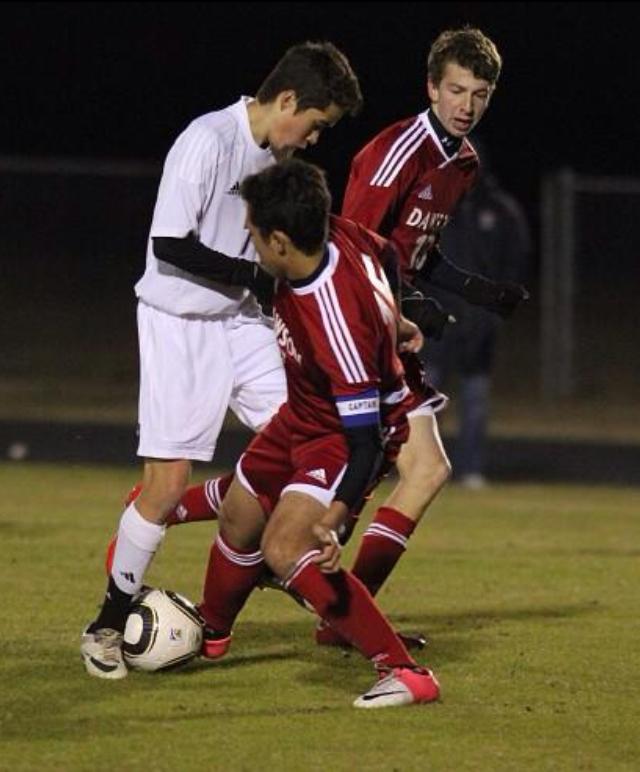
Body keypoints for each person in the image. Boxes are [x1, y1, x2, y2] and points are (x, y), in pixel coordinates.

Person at [80, 41, 363, 680]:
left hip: (241, 323)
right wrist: (252, 275)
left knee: (317, 435)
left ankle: (280, 560)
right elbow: (169, 244)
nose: (314, 139)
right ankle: (104, 625)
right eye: (316, 124)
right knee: (164, 486)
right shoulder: (206, 140)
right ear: (288, 100)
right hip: (179, 323)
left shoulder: (278, 154)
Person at [197, 157, 440, 709]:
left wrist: (336, 513)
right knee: (239, 509)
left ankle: (404, 672)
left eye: (254, 235)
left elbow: (366, 442)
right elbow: (389, 251)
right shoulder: (337, 231)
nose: (251, 244)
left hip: (338, 434)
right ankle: (207, 635)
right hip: (304, 413)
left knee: (285, 546)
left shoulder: (336, 325)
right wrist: (397, 317)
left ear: (280, 242)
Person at [425, 140, 532, 489]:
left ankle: (470, 469)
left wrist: (492, 315)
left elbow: (515, 266)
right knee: (422, 404)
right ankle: (419, 470)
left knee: (475, 402)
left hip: (479, 325)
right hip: (437, 322)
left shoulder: (501, 211)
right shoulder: (434, 206)